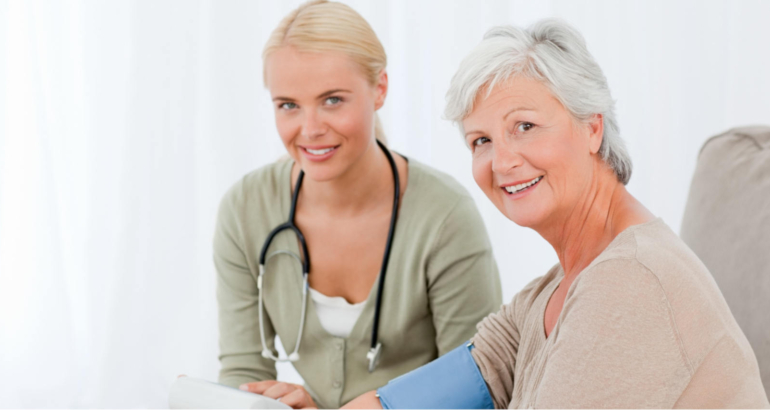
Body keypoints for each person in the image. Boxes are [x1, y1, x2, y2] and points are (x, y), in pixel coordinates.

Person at [342, 19, 769, 408]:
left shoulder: (630, 280)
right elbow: (476, 373)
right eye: (481, 141)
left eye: (524, 126)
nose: (502, 161)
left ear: (592, 128)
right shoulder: (559, 285)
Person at [213, 1, 502, 408]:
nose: (310, 129)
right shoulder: (246, 209)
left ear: (379, 88)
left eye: (332, 100)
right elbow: (243, 375)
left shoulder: (445, 217)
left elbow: (478, 386)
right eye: (288, 105)